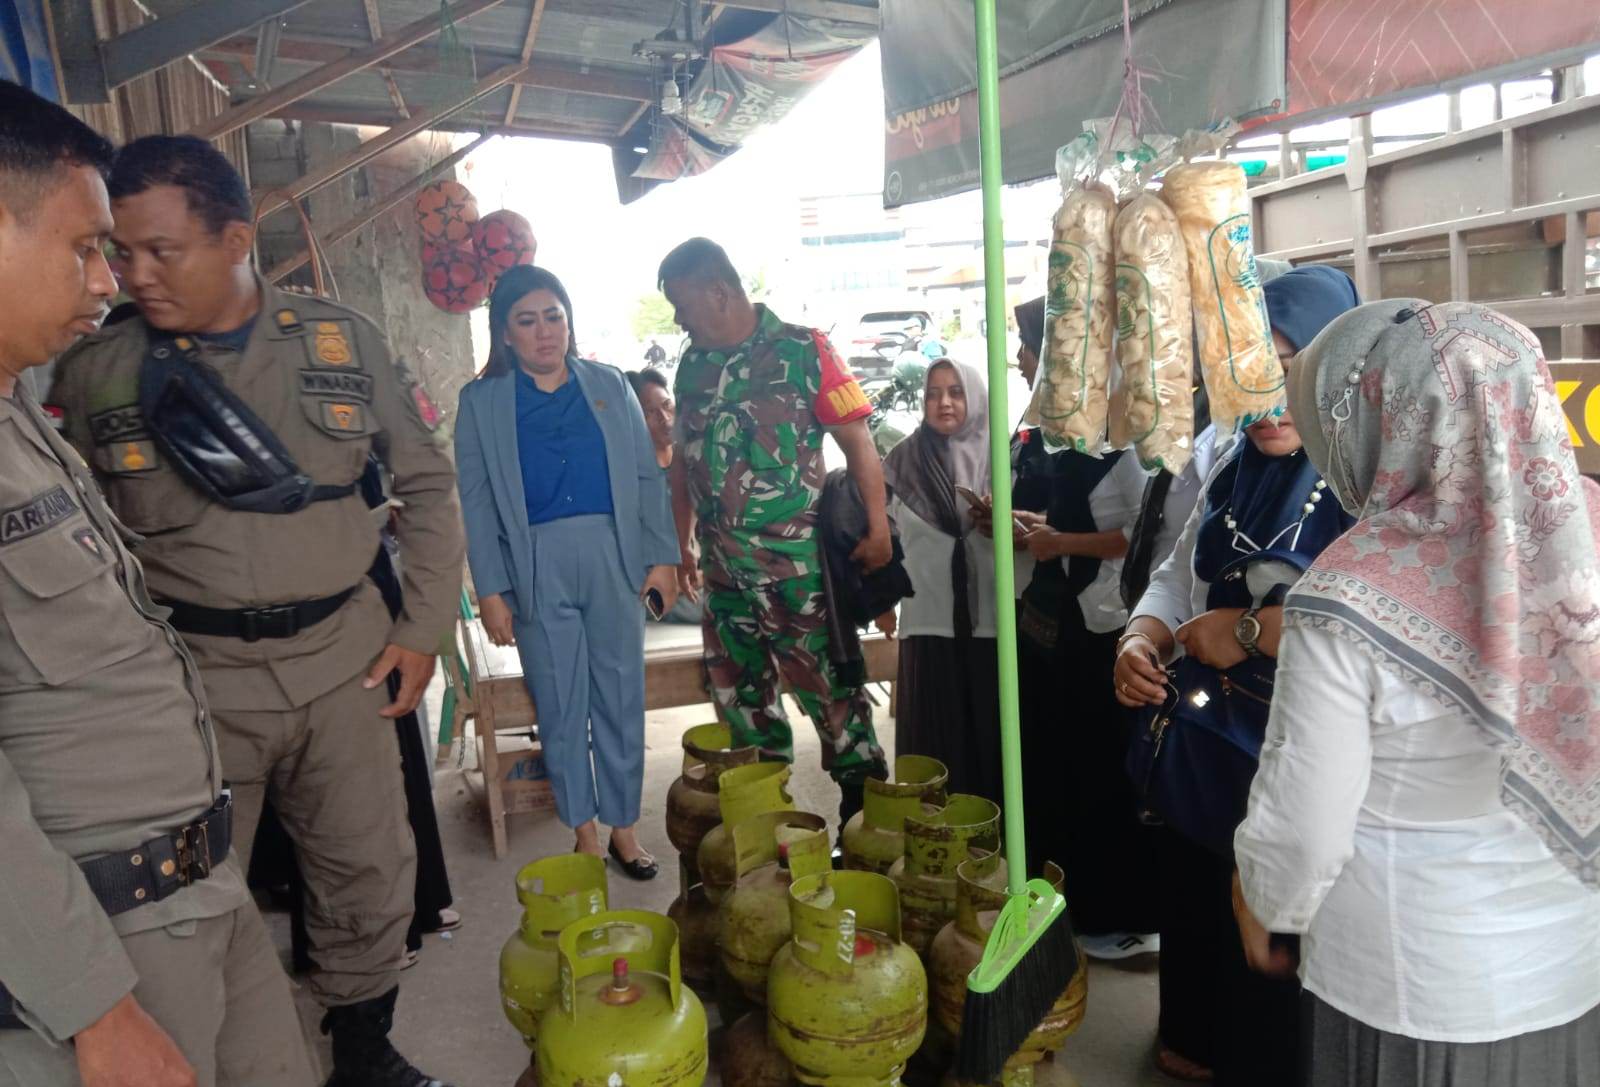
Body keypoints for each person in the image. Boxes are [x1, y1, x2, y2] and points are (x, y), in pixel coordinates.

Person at [48, 135, 463, 1087]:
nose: (134, 274)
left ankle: (362, 1050)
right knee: (189, 898)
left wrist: (421, 629)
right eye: (121, 252)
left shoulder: (341, 342)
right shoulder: (96, 371)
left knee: (368, 869)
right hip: (193, 681)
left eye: (163, 251)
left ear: (237, 238)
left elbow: (429, 488)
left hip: (343, 660)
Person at [0, 80, 316, 1087]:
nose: (109, 280)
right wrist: (93, 1006)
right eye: (87, 246)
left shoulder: (16, 417)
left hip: (198, 883)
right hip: (103, 943)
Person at [1234, 300, 1600, 1087]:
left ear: (1380, 420)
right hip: (1572, 972)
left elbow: (1304, 833)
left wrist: (1259, 897)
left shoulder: (1347, 592)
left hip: (1410, 990)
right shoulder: (1586, 538)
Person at [1116, 265, 1361, 1084]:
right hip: (1208, 747)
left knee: (1272, 954)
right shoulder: (1232, 472)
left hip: (1296, 763)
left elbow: (1374, 634)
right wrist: (1140, 640)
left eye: (1293, 369)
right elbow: (1178, 574)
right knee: (1198, 902)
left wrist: (1250, 630)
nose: (1269, 397)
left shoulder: (1368, 489)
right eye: (1255, 369)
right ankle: (1191, 1040)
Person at [456, 265, 679, 877]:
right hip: (534, 565)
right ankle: (583, 831)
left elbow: (644, 476)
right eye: (526, 321)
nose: (544, 331)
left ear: (568, 320)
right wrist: (493, 590)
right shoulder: (481, 404)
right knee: (559, 703)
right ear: (505, 333)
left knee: (620, 694)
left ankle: (624, 830)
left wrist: (663, 558)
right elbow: (475, 503)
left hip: (612, 555)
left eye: (553, 316)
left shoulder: (608, 385)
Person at [660, 237, 890, 830]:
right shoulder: (693, 365)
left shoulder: (804, 350)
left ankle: (864, 820)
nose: (679, 320)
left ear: (719, 291)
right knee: (740, 701)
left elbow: (858, 443)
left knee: (833, 693)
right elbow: (683, 462)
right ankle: (766, 828)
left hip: (797, 574)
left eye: (683, 305)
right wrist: (679, 540)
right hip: (722, 572)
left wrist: (879, 529)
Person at [877, 359, 1001, 803]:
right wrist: (881, 598)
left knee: (992, 742)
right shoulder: (901, 462)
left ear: (976, 396)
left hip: (994, 625)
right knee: (935, 748)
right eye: (932, 393)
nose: (943, 402)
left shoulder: (1005, 456)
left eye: (955, 391)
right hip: (927, 625)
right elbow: (880, 540)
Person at [626, 367, 675, 469]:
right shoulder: (635, 468)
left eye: (667, 405)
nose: (665, 418)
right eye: (651, 411)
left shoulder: (691, 452)